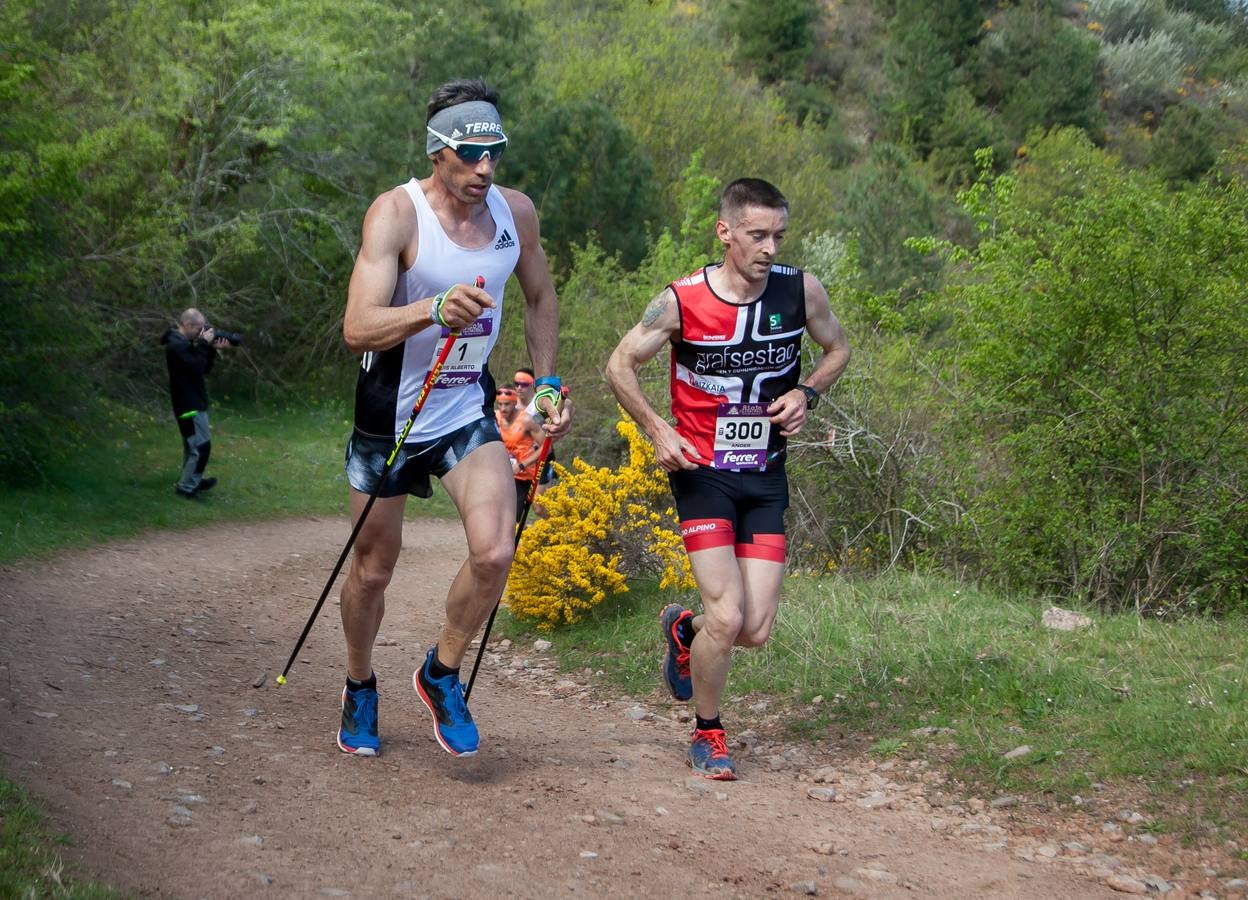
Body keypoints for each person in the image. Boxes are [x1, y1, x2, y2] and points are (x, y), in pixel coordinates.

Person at [336, 78, 570, 759]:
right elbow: (356, 327)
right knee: (373, 571)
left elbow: (540, 294)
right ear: (437, 152)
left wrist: (543, 383)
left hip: (466, 402)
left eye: (494, 152)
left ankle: (441, 673)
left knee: (496, 550)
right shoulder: (396, 215)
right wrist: (431, 310)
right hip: (390, 411)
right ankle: (358, 684)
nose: (485, 169)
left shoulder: (514, 213)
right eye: (469, 155)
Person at [605, 177, 850, 780]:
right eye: (757, 235)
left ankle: (683, 631)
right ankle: (709, 734)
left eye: (779, 236)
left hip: (765, 472)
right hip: (702, 472)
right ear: (726, 232)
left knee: (755, 629)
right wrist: (659, 432)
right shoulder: (682, 300)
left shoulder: (800, 290)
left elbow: (838, 349)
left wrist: (806, 392)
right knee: (728, 614)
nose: (770, 248)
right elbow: (618, 364)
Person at [161, 308, 231, 499]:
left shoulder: (185, 343)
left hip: (191, 402)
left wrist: (212, 350)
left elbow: (202, 368)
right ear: (187, 325)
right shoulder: (177, 345)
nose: (202, 333)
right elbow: (196, 364)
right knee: (201, 447)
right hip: (188, 405)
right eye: (199, 328)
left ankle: (191, 480)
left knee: (193, 446)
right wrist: (203, 345)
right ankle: (187, 487)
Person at [495, 383, 548, 523]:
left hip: (529, 473)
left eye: (507, 404)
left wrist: (522, 465)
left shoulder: (526, 420)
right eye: (500, 404)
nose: (503, 408)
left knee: (538, 508)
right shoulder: (495, 418)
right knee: (508, 516)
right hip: (510, 474)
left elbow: (546, 448)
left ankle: (557, 526)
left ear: (514, 402)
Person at [514, 366, 558, 497]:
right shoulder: (511, 404)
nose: (519, 388)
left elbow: (555, 432)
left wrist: (541, 443)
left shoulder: (541, 404)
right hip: (518, 456)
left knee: (538, 505)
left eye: (524, 384)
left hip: (542, 456)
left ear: (532, 384)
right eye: (516, 384)